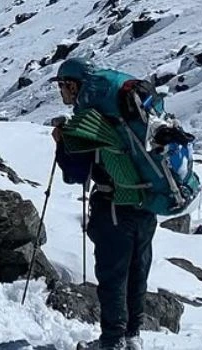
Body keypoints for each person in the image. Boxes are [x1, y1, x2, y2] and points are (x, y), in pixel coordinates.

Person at [52, 57, 155, 350]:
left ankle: (112, 342)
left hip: (113, 205)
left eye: (62, 86)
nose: (61, 93)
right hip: (146, 200)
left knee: (113, 275)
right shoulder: (124, 114)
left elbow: (75, 174)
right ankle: (132, 336)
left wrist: (62, 142)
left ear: (73, 85)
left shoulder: (91, 118)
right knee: (138, 269)